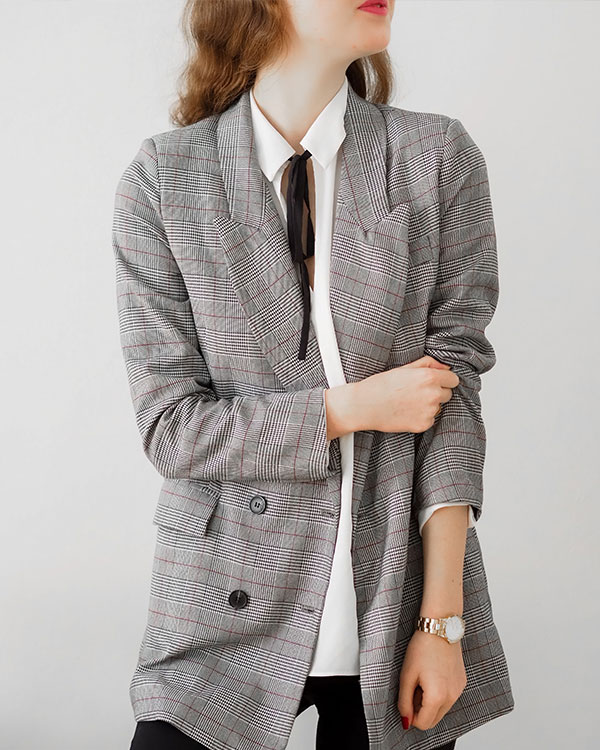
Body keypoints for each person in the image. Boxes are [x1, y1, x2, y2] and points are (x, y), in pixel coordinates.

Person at [113, 1, 515, 749]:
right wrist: (351, 408)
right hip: (221, 599)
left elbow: (453, 402)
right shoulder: (166, 181)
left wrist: (442, 623)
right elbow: (173, 430)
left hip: (393, 600)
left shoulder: (434, 159)